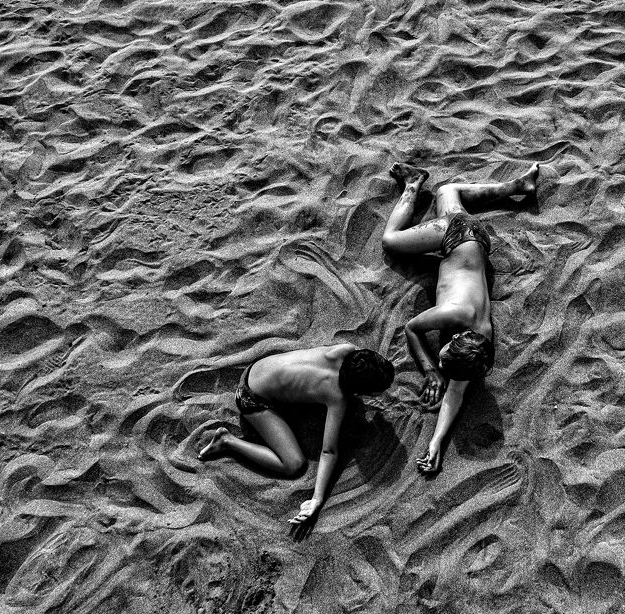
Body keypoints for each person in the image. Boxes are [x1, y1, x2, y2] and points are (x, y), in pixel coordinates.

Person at [382, 161, 539, 474]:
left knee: (446, 191)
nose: (442, 362)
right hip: (457, 234)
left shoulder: (479, 346)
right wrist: (430, 371)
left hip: (477, 243)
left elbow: (457, 391)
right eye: (444, 358)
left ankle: (517, 187)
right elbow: (412, 329)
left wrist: (436, 442)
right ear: (455, 337)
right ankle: (413, 184)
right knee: (391, 240)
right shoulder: (457, 314)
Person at [171, 344, 394, 540]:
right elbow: (328, 451)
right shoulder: (336, 396)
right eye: (375, 392)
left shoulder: (347, 349)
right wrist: (316, 499)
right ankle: (227, 441)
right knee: (294, 464)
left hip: (258, 369)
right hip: (250, 398)